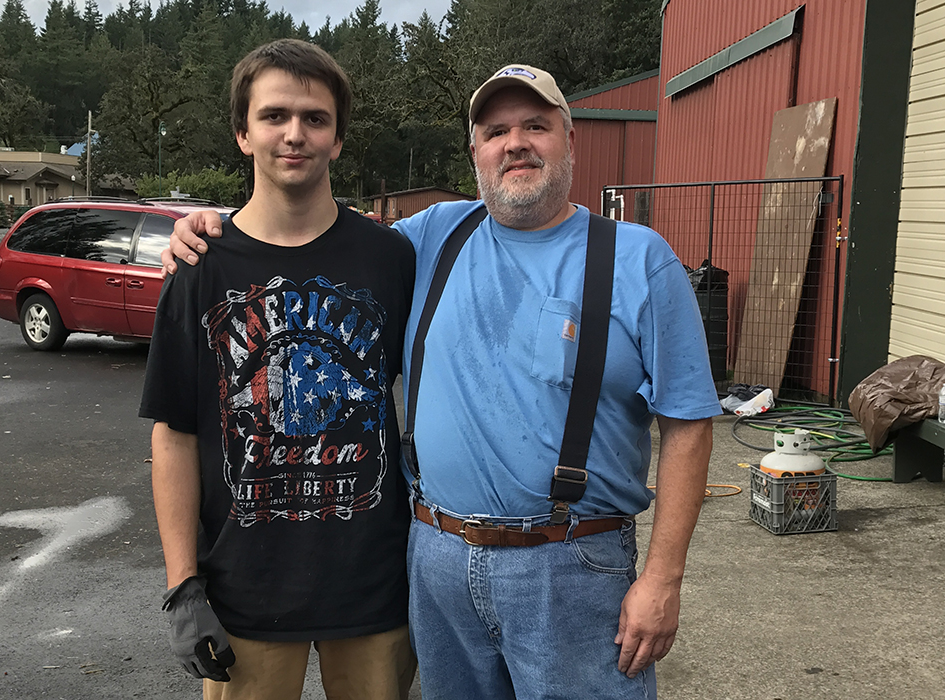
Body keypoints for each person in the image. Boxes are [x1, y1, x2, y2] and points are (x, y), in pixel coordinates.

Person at [164, 64, 719, 700]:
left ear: (570, 140)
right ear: (475, 150)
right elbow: (307, 241)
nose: (516, 143)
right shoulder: (430, 238)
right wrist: (209, 230)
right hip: (435, 565)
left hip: (570, 568)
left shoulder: (639, 259)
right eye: (495, 130)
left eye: (536, 126)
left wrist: (664, 578)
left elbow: (689, 425)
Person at [140, 38, 416, 700]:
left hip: (374, 587)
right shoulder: (198, 268)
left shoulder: (392, 260)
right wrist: (182, 585)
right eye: (274, 116)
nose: (295, 134)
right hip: (245, 591)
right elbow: (173, 433)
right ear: (243, 132)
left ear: (338, 140)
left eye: (316, 119)